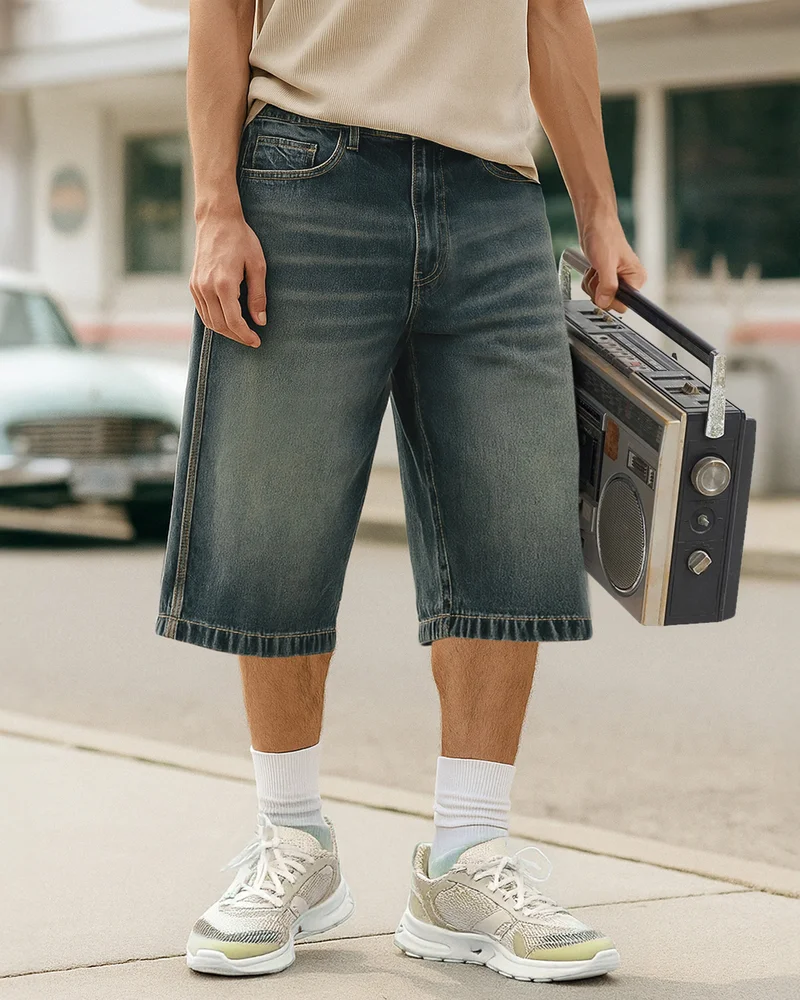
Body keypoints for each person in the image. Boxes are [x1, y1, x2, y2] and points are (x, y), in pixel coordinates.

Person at [156, 0, 646, 982]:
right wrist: (214, 204)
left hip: (495, 189)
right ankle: (291, 837)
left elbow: (553, 13)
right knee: (276, 517)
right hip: (303, 168)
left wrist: (598, 212)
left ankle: (467, 855)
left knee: (509, 518)